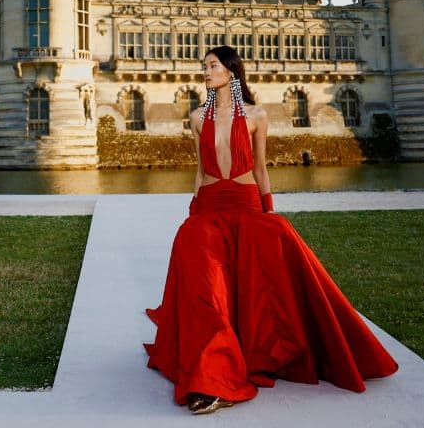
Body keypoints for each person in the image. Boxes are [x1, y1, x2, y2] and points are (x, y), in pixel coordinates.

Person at [144, 46, 397, 415]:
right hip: (210, 207)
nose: (205, 71)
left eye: (212, 65)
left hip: (247, 206)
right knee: (205, 288)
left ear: (231, 70)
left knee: (265, 281)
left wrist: (268, 210)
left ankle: (224, 374)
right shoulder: (198, 117)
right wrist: (194, 210)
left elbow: (261, 168)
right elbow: (199, 171)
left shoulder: (257, 114)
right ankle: (212, 374)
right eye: (204, 66)